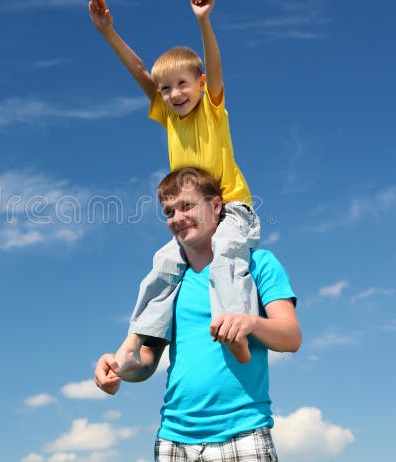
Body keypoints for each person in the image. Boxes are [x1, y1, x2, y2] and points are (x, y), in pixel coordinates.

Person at [89, 0, 261, 371]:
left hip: (231, 207)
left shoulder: (211, 110)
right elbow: (140, 73)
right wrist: (108, 32)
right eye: (166, 89)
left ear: (199, 84)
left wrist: (203, 21)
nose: (173, 94)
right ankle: (135, 341)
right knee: (163, 264)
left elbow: (214, 67)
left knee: (226, 254)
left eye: (181, 84)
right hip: (195, 214)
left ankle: (236, 333)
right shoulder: (168, 116)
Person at [94, 168, 301, 461]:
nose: (177, 218)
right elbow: (148, 362)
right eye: (169, 212)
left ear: (216, 206)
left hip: (242, 433)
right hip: (173, 440)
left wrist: (250, 322)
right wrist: (120, 369)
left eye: (187, 206)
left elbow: (291, 337)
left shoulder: (259, 264)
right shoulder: (169, 282)